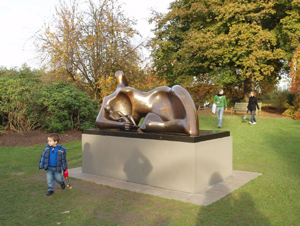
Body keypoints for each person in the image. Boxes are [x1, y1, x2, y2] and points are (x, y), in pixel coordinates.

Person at [96, 71, 199, 136]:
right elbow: (99, 121)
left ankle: (186, 123)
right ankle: (184, 124)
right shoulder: (110, 98)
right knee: (147, 124)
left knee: (177, 89)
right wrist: (121, 125)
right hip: (157, 107)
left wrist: (121, 124)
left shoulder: (121, 93)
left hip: (159, 101)